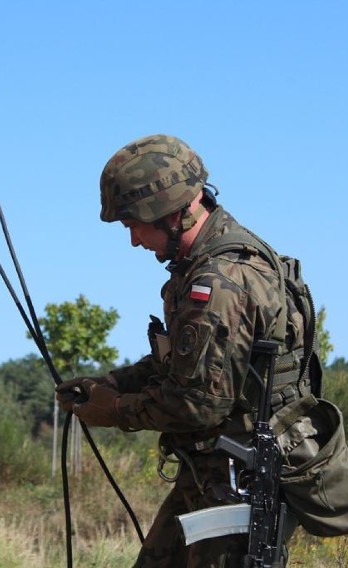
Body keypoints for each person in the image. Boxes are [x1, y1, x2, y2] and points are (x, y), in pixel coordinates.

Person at [56, 134, 320, 567]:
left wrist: (116, 409)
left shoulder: (220, 281)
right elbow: (187, 365)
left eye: (132, 225)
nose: (134, 241)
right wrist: (111, 384)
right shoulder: (201, 267)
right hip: (210, 479)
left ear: (168, 212)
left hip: (237, 491)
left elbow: (198, 405)